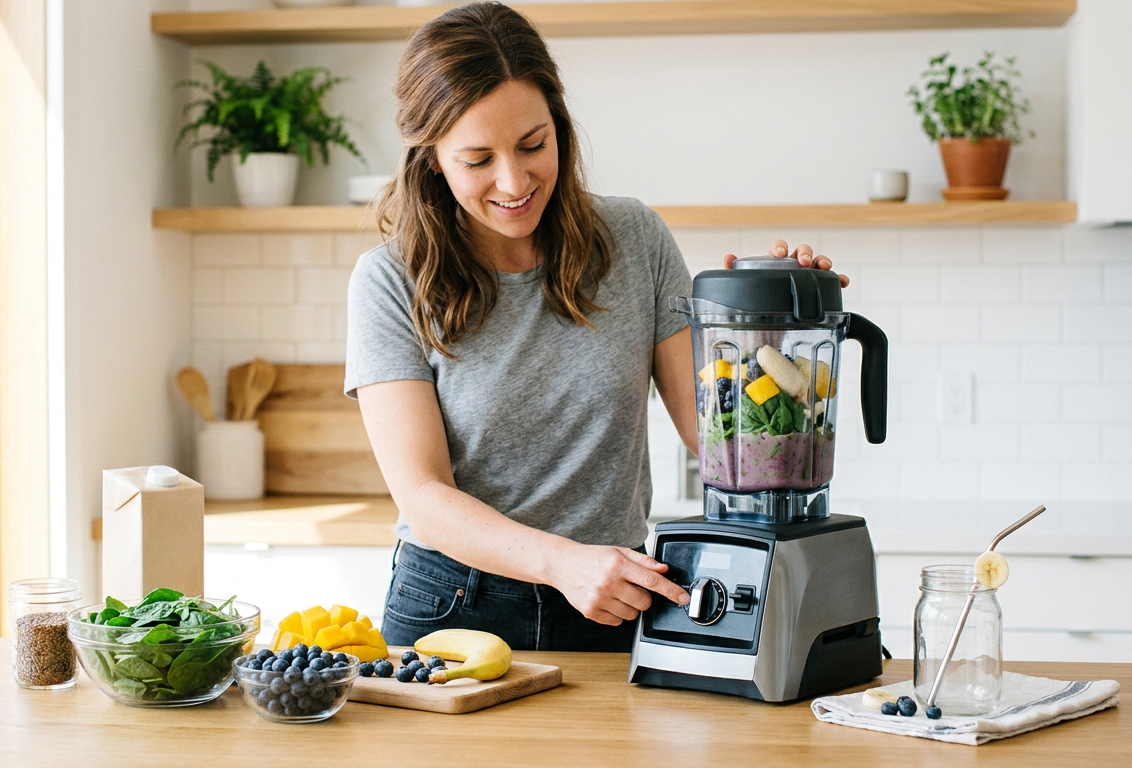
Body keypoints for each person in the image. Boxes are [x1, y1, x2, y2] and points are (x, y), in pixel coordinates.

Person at [344, 2, 845, 652]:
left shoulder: (635, 240)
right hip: (453, 607)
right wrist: (563, 562)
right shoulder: (390, 280)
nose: (513, 180)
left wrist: (769, 332)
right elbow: (424, 495)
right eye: (477, 159)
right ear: (432, 157)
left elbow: (717, 438)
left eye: (533, 145)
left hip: (612, 601)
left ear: (559, 126)